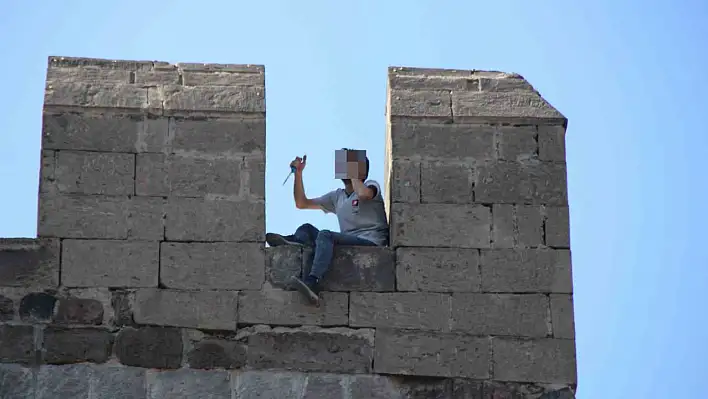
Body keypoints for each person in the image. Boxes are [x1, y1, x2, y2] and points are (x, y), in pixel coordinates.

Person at [265, 149, 389, 305]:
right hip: (349, 240)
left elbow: (364, 194)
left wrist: (355, 174)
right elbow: (302, 203)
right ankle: (296, 242)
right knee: (307, 229)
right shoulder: (337, 196)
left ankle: (313, 281)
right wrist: (298, 173)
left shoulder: (370, 185)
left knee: (325, 235)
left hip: (371, 242)